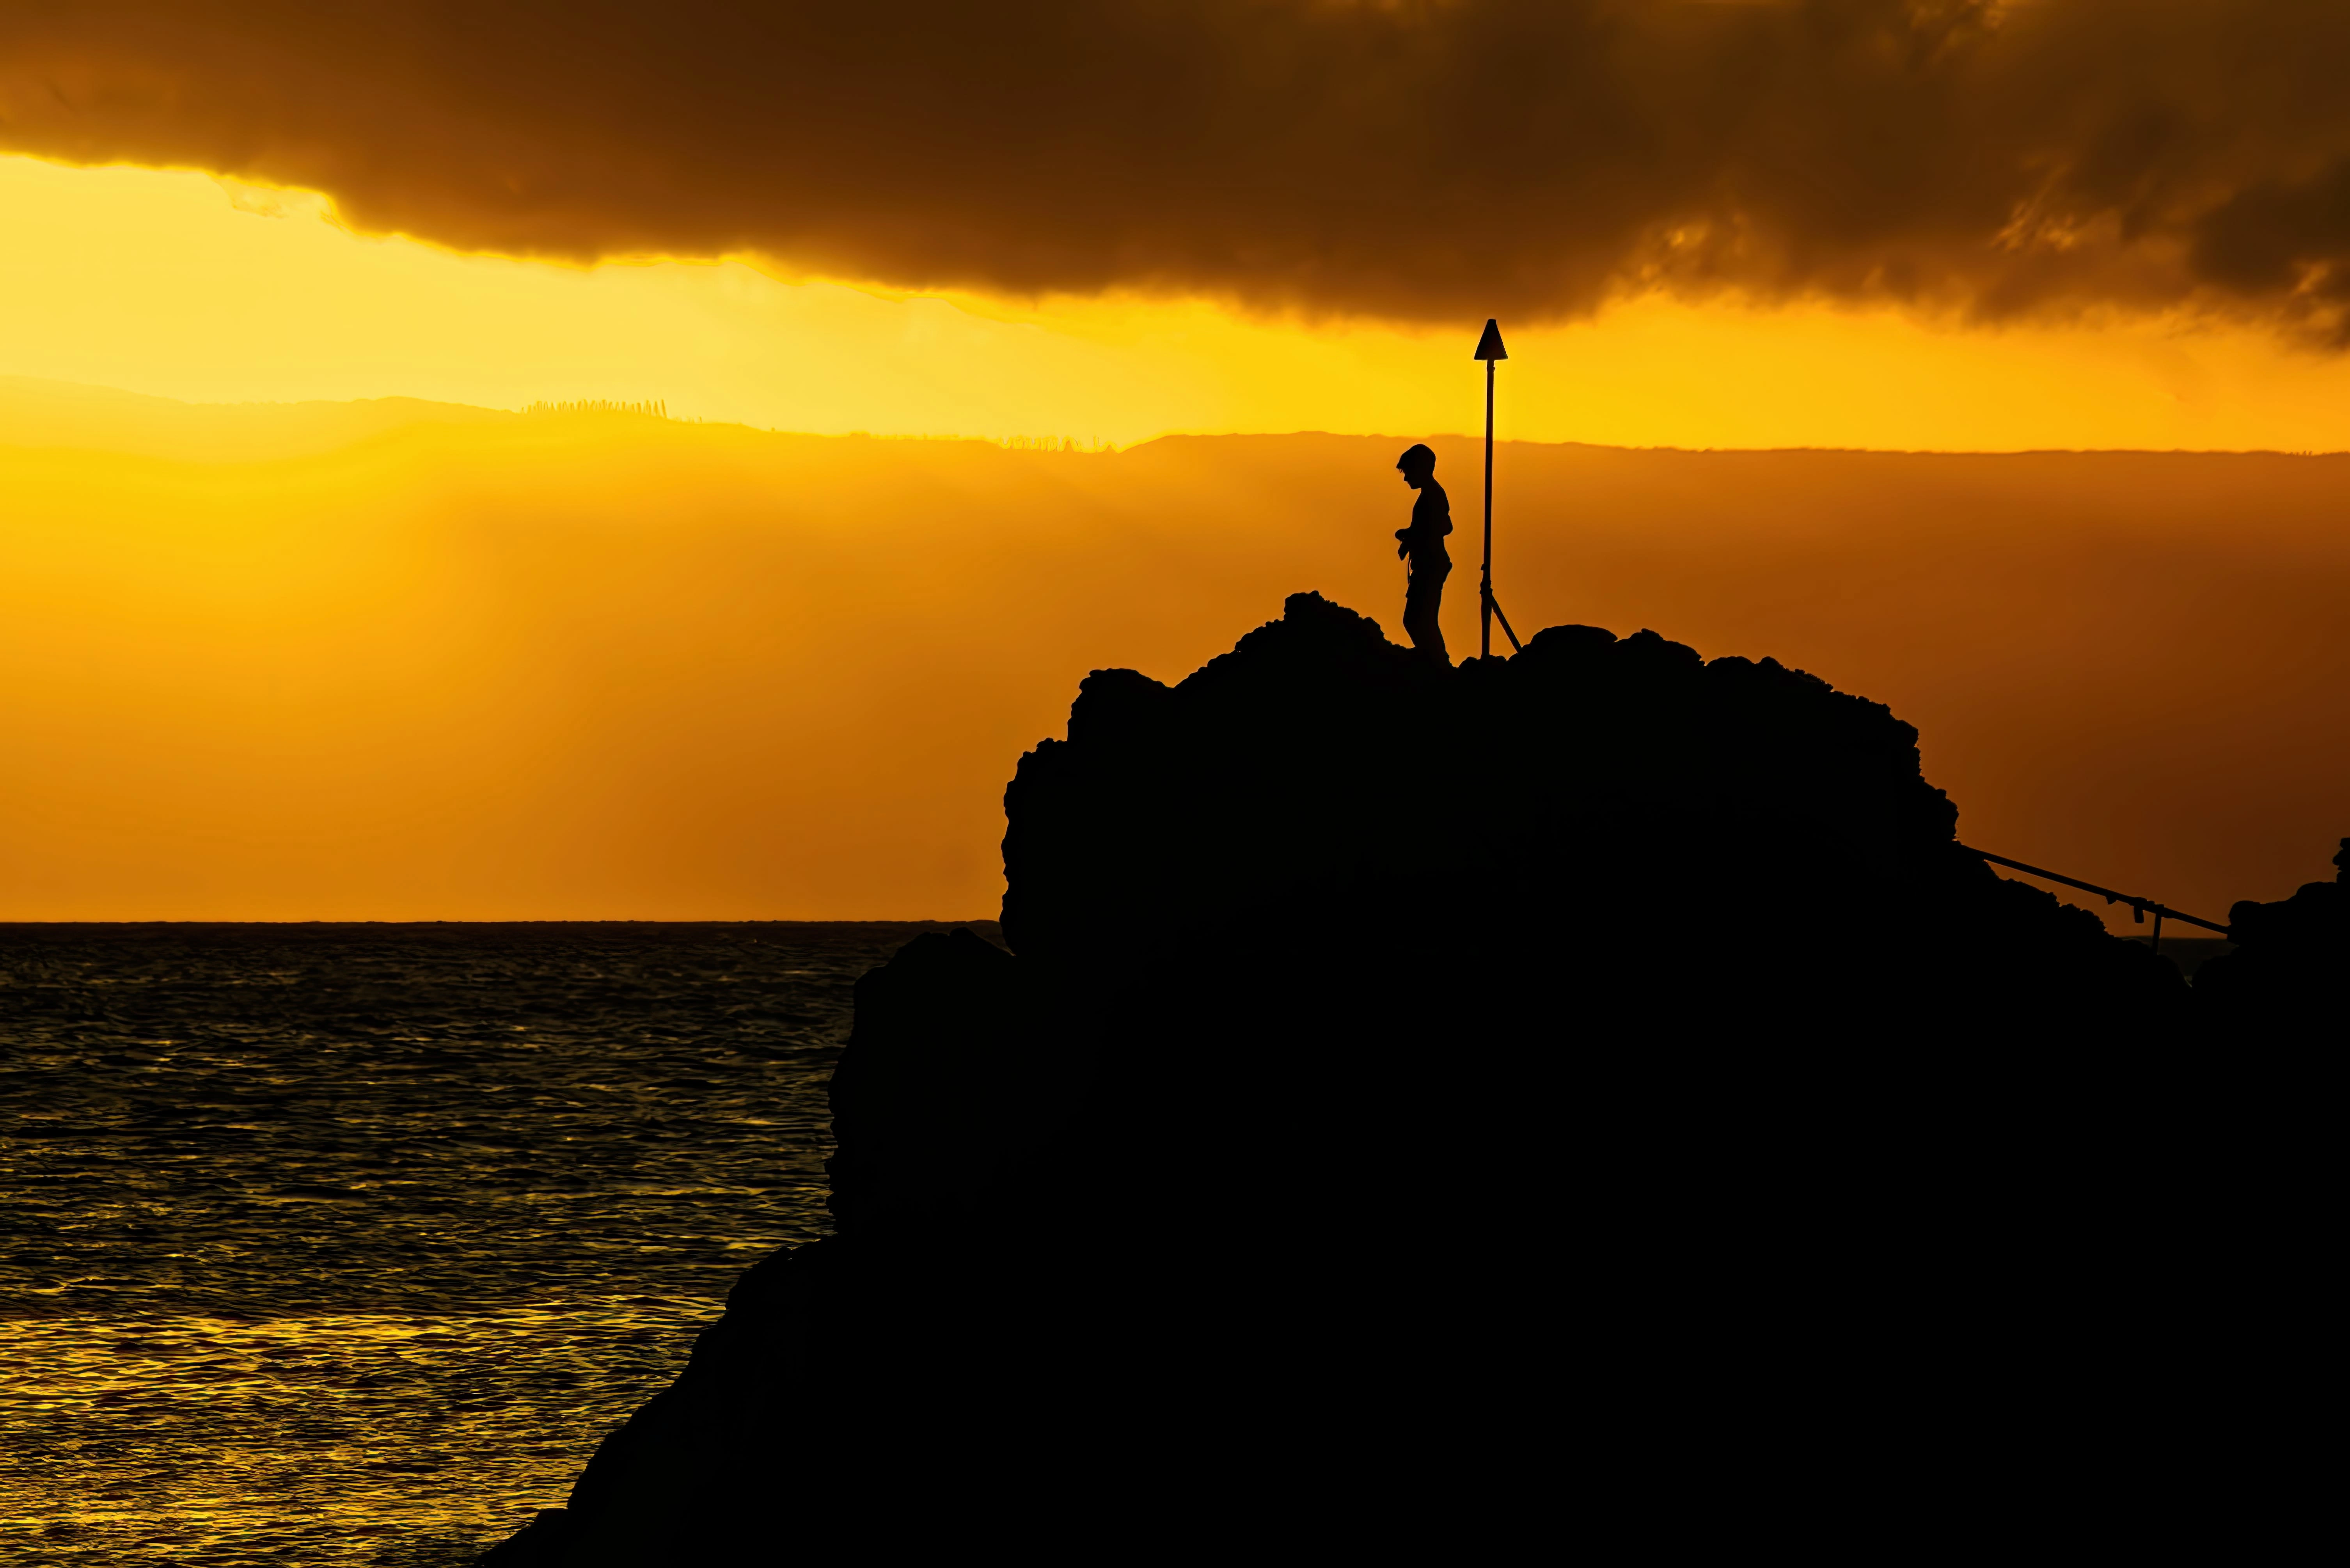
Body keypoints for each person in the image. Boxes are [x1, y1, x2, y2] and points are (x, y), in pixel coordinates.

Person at [1393, 443, 1452, 664]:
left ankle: (1437, 663)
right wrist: (1411, 533)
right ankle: (1434, 660)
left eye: (1408, 472)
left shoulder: (1434, 495)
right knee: (1419, 619)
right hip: (1428, 565)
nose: (1406, 478)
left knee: (1419, 620)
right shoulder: (1431, 494)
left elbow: (1445, 526)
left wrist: (1415, 535)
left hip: (1430, 566)